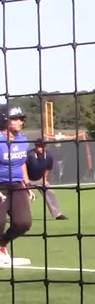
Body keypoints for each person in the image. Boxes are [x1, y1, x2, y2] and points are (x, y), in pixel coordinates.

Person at [0, 105, 34, 265]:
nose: (20, 121)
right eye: (15, 118)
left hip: (17, 185)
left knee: (23, 223)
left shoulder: (23, 140)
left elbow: (21, 163)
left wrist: (27, 185)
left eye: (21, 119)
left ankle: (2, 244)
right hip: (0, 186)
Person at [27, 138, 67, 220]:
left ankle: (57, 214)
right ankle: (25, 216)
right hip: (28, 180)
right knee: (27, 197)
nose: (41, 148)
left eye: (43, 146)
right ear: (35, 146)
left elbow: (48, 168)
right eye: (39, 146)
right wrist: (26, 182)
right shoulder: (29, 155)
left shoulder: (49, 156)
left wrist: (44, 179)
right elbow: (23, 168)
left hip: (40, 179)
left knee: (50, 193)